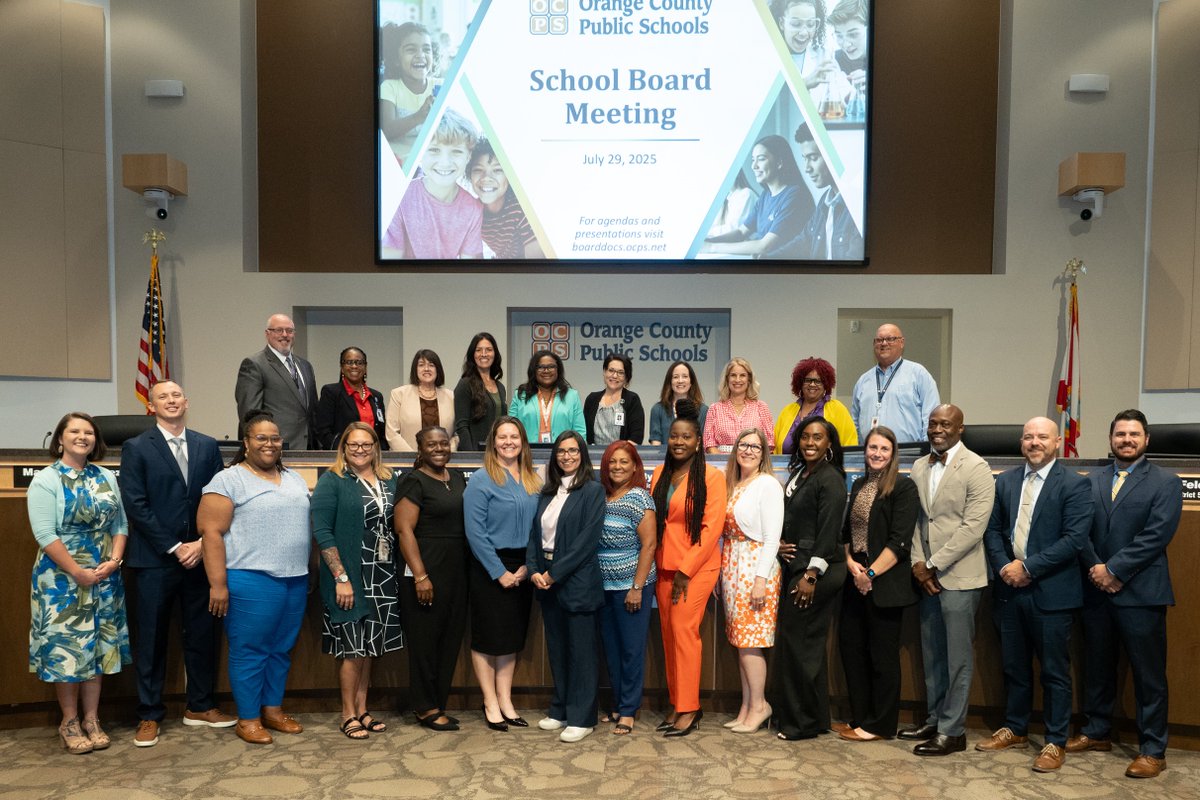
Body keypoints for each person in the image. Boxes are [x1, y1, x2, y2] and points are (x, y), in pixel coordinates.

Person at [1069, 410, 1183, 779]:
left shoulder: (1165, 483)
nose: (1127, 440)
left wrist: (1114, 570)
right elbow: (1079, 530)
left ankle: (1153, 749)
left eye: (1134, 434)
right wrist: (1098, 570)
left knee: (1148, 675)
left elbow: (1157, 535)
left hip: (1141, 592)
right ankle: (1098, 730)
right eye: (1120, 434)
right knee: (1098, 666)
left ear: (1147, 440)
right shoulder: (1092, 480)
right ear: (1110, 439)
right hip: (1097, 590)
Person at [119, 382, 233, 748]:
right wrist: (173, 546)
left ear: (187, 401)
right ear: (151, 407)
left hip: (201, 557)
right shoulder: (137, 448)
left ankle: (199, 705)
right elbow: (135, 505)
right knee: (151, 638)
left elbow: (218, 497)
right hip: (154, 560)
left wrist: (201, 543)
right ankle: (149, 714)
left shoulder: (207, 445)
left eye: (176, 396)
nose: (171, 401)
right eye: (162, 397)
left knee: (202, 634)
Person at [978, 417, 1091, 771]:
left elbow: (1074, 540)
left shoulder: (1074, 485)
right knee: (1013, 666)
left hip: (1051, 592)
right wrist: (1004, 567)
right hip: (1009, 590)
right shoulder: (1007, 480)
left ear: (1057, 442)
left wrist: (1028, 567)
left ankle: (1055, 741)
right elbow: (992, 531)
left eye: (1042, 437)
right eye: (1028, 437)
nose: (1034, 442)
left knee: (1054, 672)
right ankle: (1016, 727)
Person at [199, 409, 311, 745]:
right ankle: (248, 718)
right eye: (261, 437)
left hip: (295, 578)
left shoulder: (292, 477)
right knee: (250, 651)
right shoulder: (228, 479)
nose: (270, 443)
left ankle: (272, 710)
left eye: (275, 438)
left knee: (281, 649)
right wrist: (218, 584)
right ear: (246, 442)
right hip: (251, 579)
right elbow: (211, 533)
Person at [27, 412, 131, 755]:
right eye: (74, 431)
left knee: (98, 648)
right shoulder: (46, 479)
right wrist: (76, 570)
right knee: (67, 649)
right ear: (60, 438)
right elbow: (44, 534)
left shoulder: (105, 476)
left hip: (103, 575)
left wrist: (114, 561)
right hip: (61, 579)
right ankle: (69, 721)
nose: (82, 436)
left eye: (88, 432)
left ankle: (92, 718)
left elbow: (120, 524)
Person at [902, 404, 995, 756]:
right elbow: (916, 521)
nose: (937, 429)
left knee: (957, 657)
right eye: (933, 423)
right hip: (926, 576)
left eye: (946, 424)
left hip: (959, 576)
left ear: (960, 428)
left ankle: (953, 731)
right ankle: (935, 718)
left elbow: (973, 527)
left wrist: (933, 564)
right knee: (933, 654)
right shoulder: (919, 465)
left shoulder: (977, 468)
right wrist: (916, 564)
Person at [310, 422, 403, 740]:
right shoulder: (333, 480)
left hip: (382, 574)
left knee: (369, 648)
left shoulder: (389, 480)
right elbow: (322, 532)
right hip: (349, 576)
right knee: (352, 650)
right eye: (354, 445)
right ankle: (347, 713)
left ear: (376, 447)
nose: (360, 450)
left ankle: (363, 709)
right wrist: (341, 577)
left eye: (367, 444)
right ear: (344, 448)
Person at [650, 400, 727, 737]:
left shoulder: (712, 476)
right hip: (663, 565)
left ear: (698, 441)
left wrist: (685, 569)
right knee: (669, 636)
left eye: (686, 437)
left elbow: (712, 529)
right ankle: (677, 702)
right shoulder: (659, 473)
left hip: (695, 568)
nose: (679, 442)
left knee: (684, 633)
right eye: (674, 437)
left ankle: (690, 708)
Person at [837, 426, 918, 742]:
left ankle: (880, 725)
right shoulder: (858, 484)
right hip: (855, 581)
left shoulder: (903, 487)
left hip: (884, 585)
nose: (877, 453)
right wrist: (850, 565)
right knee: (853, 652)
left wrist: (869, 575)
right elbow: (847, 534)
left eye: (884, 449)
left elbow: (900, 542)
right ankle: (860, 719)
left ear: (893, 453)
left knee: (882, 658)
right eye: (873, 447)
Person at [772, 416, 848, 740]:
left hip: (816, 573)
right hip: (801, 566)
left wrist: (811, 574)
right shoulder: (802, 473)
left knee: (800, 647)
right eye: (805, 437)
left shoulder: (830, 479)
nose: (810, 443)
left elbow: (829, 531)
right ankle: (814, 719)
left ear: (829, 443)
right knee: (806, 646)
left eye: (818, 437)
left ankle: (800, 724)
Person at [463, 417, 541, 731]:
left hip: (523, 566)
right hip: (489, 566)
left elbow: (539, 526)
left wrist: (528, 566)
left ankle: (506, 700)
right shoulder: (482, 479)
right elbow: (475, 532)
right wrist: (499, 572)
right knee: (487, 638)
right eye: (502, 437)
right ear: (493, 442)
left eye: (514, 436)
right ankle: (490, 701)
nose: (508, 442)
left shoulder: (533, 479)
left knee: (510, 638)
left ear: (523, 441)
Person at [528, 431, 607, 743]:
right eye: (561, 451)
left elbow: (585, 542)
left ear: (582, 455)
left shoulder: (592, 491)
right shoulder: (547, 492)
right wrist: (535, 569)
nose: (567, 456)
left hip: (576, 580)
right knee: (558, 649)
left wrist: (553, 573)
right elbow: (535, 536)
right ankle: (560, 710)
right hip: (547, 578)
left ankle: (582, 717)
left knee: (582, 653)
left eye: (573, 451)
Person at [395, 426, 469, 732]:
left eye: (443, 443)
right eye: (431, 444)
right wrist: (421, 576)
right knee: (425, 641)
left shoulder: (458, 478)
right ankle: (425, 707)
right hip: (426, 570)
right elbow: (404, 530)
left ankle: (437, 702)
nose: (438, 448)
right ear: (420, 449)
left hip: (457, 570)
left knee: (449, 639)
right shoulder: (412, 480)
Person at [719, 428, 782, 735]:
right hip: (733, 566)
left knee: (751, 644)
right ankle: (746, 707)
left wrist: (760, 581)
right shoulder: (735, 483)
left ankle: (760, 706)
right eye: (743, 444)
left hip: (756, 568)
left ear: (763, 453)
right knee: (741, 642)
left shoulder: (768, 484)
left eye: (755, 446)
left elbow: (772, 539)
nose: (748, 450)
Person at [597, 441, 657, 735]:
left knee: (631, 650)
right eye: (612, 462)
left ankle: (629, 710)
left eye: (624, 462)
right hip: (603, 587)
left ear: (635, 466)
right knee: (612, 649)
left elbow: (649, 545)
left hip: (632, 586)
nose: (617, 467)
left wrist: (636, 587)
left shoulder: (639, 499)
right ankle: (619, 704)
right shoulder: (602, 496)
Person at [381, 108, 483, 259]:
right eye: (434, 150)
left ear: (468, 157)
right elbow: (390, 261)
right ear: (420, 153)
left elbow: (470, 266)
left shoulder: (473, 208)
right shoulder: (400, 197)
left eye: (456, 151)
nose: (445, 162)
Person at [702, 135, 814, 257]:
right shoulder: (765, 195)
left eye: (761, 159)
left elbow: (765, 246)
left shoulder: (795, 195)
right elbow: (741, 232)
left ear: (779, 163)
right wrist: (708, 241)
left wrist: (712, 248)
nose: (754, 166)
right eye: (753, 160)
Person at [768, 125, 864, 260]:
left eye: (813, 158)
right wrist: (767, 258)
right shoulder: (825, 200)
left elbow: (853, 271)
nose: (807, 168)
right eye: (804, 159)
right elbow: (803, 241)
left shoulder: (859, 206)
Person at [235, 313, 318, 450]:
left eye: (289, 331)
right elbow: (250, 414)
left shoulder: (305, 366)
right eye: (279, 330)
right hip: (274, 448)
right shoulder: (254, 364)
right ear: (267, 334)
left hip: (309, 449)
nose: (285, 335)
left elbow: (313, 410)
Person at [849, 323, 940, 443]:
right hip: (871, 456)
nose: (884, 343)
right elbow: (854, 422)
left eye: (890, 339)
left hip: (910, 456)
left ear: (902, 342)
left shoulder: (919, 374)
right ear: (874, 344)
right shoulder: (863, 381)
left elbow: (932, 417)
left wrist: (926, 454)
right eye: (879, 340)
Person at [469, 138, 544, 258]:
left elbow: (536, 266)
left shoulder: (521, 209)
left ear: (509, 176)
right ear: (469, 175)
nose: (486, 177)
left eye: (497, 170)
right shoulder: (473, 213)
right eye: (478, 169)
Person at [379, 21, 436, 164]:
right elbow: (387, 130)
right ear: (396, 60)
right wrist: (418, 117)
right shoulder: (389, 87)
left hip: (430, 161)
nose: (420, 55)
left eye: (426, 49)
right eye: (411, 50)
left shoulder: (438, 86)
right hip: (400, 161)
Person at [773, 356, 857, 454]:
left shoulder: (838, 409)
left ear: (826, 384)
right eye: (808, 380)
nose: (812, 384)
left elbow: (850, 449)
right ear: (800, 383)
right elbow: (775, 450)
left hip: (826, 469)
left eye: (818, 381)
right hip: (787, 469)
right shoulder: (787, 411)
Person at [314, 347, 388, 450]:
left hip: (373, 459)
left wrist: (379, 453)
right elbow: (323, 432)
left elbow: (382, 435)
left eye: (359, 362)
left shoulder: (376, 396)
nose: (354, 366)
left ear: (365, 367)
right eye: (349, 362)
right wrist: (348, 451)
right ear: (342, 367)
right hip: (341, 458)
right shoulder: (331, 392)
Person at [509, 350, 586, 444]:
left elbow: (580, 432)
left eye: (551, 367)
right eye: (541, 367)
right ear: (534, 370)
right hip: (527, 453)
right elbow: (511, 430)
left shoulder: (572, 396)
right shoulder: (520, 395)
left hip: (563, 454)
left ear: (558, 369)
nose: (546, 371)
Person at [386, 349, 456, 451]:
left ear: (438, 369)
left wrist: (447, 452)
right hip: (408, 462)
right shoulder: (399, 394)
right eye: (421, 365)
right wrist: (411, 458)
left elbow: (457, 434)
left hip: (443, 459)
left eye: (431, 365)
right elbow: (391, 433)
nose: (426, 369)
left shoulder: (451, 396)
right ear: (415, 369)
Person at [704, 357, 774, 454]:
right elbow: (709, 444)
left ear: (749, 379)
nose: (737, 380)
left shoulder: (761, 407)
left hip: (753, 461)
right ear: (727, 379)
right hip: (721, 464)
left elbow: (769, 444)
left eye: (742, 375)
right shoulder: (715, 409)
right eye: (733, 375)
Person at [453, 332, 507, 451]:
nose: (484, 354)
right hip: (476, 453)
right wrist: (471, 457)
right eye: (478, 350)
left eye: (488, 350)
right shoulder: (465, 384)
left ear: (495, 354)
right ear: (473, 354)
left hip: (498, 453)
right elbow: (462, 426)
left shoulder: (500, 387)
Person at [583, 353, 645, 446]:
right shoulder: (592, 399)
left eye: (620, 372)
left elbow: (636, 437)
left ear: (626, 377)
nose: (615, 376)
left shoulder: (632, 400)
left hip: (621, 457)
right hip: (594, 457)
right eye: (611, 370)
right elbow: (585, 434)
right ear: (604, 372)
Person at [649, 360, 708, 446]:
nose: (680, 381)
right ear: (670, 381)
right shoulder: (657, 409)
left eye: (685, 376)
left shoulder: (703, 410)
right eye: (676, 377)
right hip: (664, 459)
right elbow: (656, 443)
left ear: (691, 381)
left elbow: (702, 444)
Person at [773, 0, 829, 85]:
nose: (804, 33)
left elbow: (845, 93)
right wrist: (804, 84)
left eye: (810, 24)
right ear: (781, 23)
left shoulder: (824, 57)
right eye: (796, 24)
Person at [707, 171, 757, 238]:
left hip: (747, 243)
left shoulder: (746, 194)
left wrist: (709, 232)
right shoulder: (729, 197)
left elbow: (735, 230)